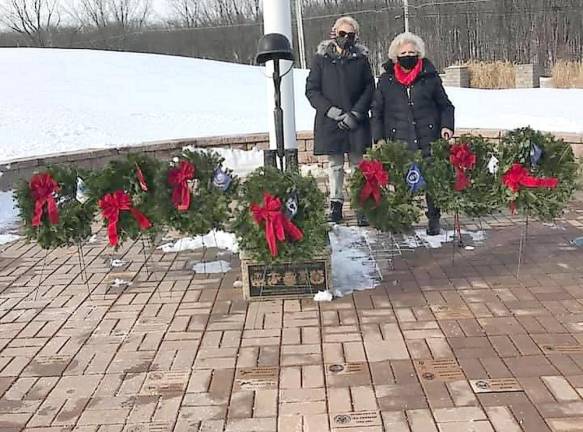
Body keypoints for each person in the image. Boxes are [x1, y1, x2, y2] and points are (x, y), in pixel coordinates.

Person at [371, 32, 455, 235]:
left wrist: (446, 126)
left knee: (431, 181)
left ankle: (434, 217)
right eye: (404, 52)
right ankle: (403, 217)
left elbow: (446, 106)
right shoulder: (386, 80)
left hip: (428, 137)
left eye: (412, 52)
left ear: (419, 54)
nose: (408, 55)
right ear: (395, 56)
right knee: (402, 181)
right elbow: (377, 111)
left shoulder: (430, 77)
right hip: (398, 139)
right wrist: (379, 138)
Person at [305, 16, 375, 225]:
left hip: (356, 120)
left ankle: (360, 204)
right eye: (342, 33)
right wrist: (331, 111)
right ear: (334, 32)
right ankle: (335, 204)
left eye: (350, 35)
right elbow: (312, 90)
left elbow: (369, 89)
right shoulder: (321, 59)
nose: (346, 38)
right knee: (335, 165)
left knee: (357, 164)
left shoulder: (361, 59)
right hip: (330, 121)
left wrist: (355, 114)